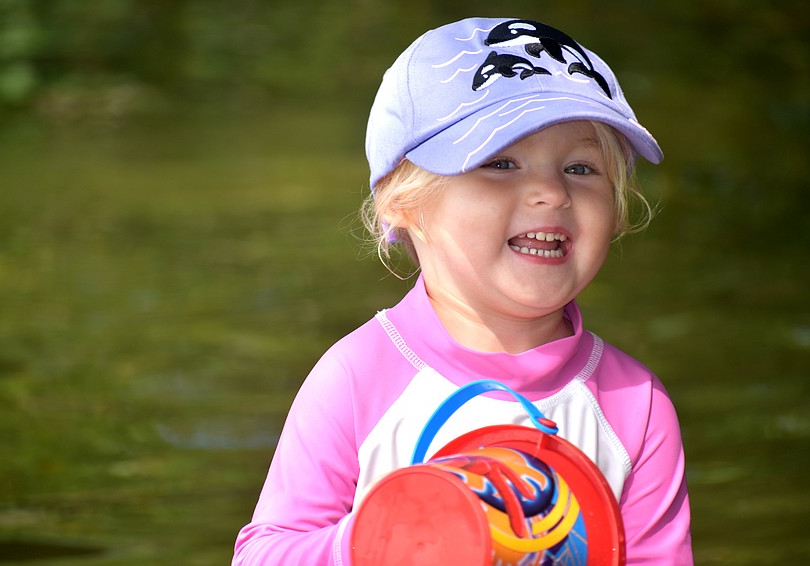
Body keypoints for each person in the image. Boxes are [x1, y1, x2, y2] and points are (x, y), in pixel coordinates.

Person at [233, 17, 692, 565]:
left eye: (580, 167)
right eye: (500, 163)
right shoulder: (359, 377)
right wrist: (372, 541)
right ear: (403, 202)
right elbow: (264, 554)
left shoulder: (634, 405)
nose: (550, 192)